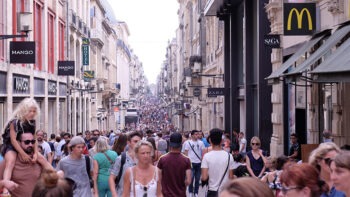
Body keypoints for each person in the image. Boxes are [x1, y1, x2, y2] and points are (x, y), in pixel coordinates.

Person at [0, 98, 40, 195]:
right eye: (30, 111)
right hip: (11, 145)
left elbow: (34, 137)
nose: (32, 113)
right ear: (24, 111)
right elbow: (13, 140)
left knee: (41, 158)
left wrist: (35, 152)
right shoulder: (15, 122)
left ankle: (54, 174)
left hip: (25, 143)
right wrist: (22, 154)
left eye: (34, 111)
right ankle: (6, 186)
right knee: (10, 161)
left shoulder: (32, 122)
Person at [0, 130, 53, 197]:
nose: (30, 144)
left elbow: (52, 179)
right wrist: (4, 184)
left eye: (32, 141)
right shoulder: (8, 161)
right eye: (27, 142)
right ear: (18, 143)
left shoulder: (39, 160)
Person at [201, 128, 234, 197]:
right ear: (222, 141)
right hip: (225, 191)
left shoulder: (206, 157)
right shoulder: (229, 156)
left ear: (210, 140)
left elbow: (204, 177)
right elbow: (231, 177)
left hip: (212, 191)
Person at [157, 132, 191, 197]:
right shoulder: (186, 160)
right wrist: (182, 185)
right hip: (181, 194)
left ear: (170, 143)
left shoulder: (162, 159)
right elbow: (188, 181)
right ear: (181, 144)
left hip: (166, 194)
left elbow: (158, 179)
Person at [109, 131, 142, 197]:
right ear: (128, 143)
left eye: (140, 142)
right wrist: (114, 194)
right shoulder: (121, 158)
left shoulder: (143, 159)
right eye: (135, 141)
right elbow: (112, 178)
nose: (138, 144)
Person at [183, 129, 205, 197]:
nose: (197, 135)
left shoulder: (201, 142)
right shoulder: (187, 143)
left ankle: (196, 192)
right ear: (192, 135)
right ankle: (190, 191)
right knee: (191, 178)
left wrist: (202, 159)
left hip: (198, 163)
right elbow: (185, 153)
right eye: (196, 134)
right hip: (191, 163)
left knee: (197, 179)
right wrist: (186, 162)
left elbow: (203, 152)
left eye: (198, 134)